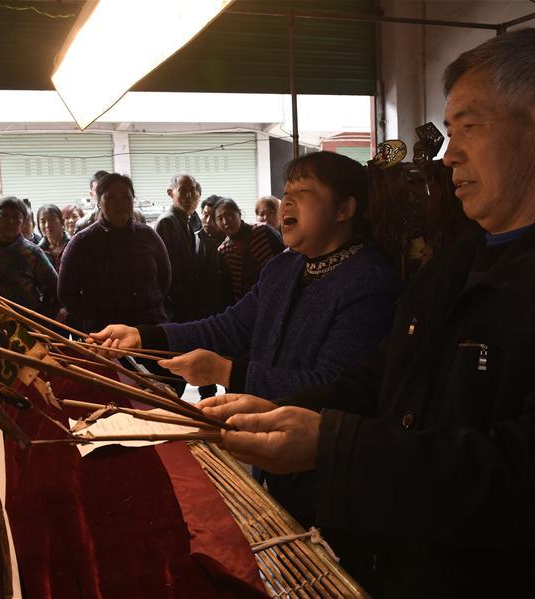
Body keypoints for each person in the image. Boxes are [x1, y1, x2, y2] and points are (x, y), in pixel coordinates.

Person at [198, 28, 535, 598]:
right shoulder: (458, 263)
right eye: (450, 129)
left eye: (471, 126)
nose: (449, 152)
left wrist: (333, 446)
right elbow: (386, 378)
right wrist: (282, 409)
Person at [92, 152, 403, 528]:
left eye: (303, 192)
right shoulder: (284, 267)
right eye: (286, 192)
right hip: (271, 453)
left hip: (328, 468)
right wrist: (144, 335)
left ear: (345, 208)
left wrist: (227, 370)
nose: (287, 201)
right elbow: (229, 327)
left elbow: (336, 385)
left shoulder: (370, 282)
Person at [58, 174, 170, 333]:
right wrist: (91, 319)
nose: (120, 203)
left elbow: (164, 280)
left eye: (126, 197)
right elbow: (66, 294)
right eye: (111, 197)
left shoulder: (148, 236)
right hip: (106, 336)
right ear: (99, 203)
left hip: (150, 329)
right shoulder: (82, 242)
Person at [0, 196, 59, 318]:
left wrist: (42, 317)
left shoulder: (33, 253)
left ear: (23, 222)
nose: (10, 221)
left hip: (27, 327)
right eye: (4, 216)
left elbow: (54, 289)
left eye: (16, 217)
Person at [215, 198, 284, 305]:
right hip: (249, 305)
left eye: (229, 215)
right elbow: (230, 291)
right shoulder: (224, 251)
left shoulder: (263, 231)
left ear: (239, 213)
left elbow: (287, 259)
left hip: (278, 294)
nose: (225, 221)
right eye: (220, 218)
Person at [154, 173, 202, 323]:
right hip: (176, 306)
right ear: (171, 193)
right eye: (182, 190)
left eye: (192, 190)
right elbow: (170, 271)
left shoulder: (185, 220)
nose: (189, 196)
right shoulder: (167, 222)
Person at [194, 194, 228, 399]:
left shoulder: (228, 240)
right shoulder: (197, 238)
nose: (206, 221)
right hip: (203, 310)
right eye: (204, 215)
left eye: (211, 217)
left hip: (227, 309)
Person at [36, 204, 70, 271]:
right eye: (43, 221)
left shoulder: (72, 244)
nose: (47, 225)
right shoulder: (38, 251)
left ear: (62, 221)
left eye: (52, 219)